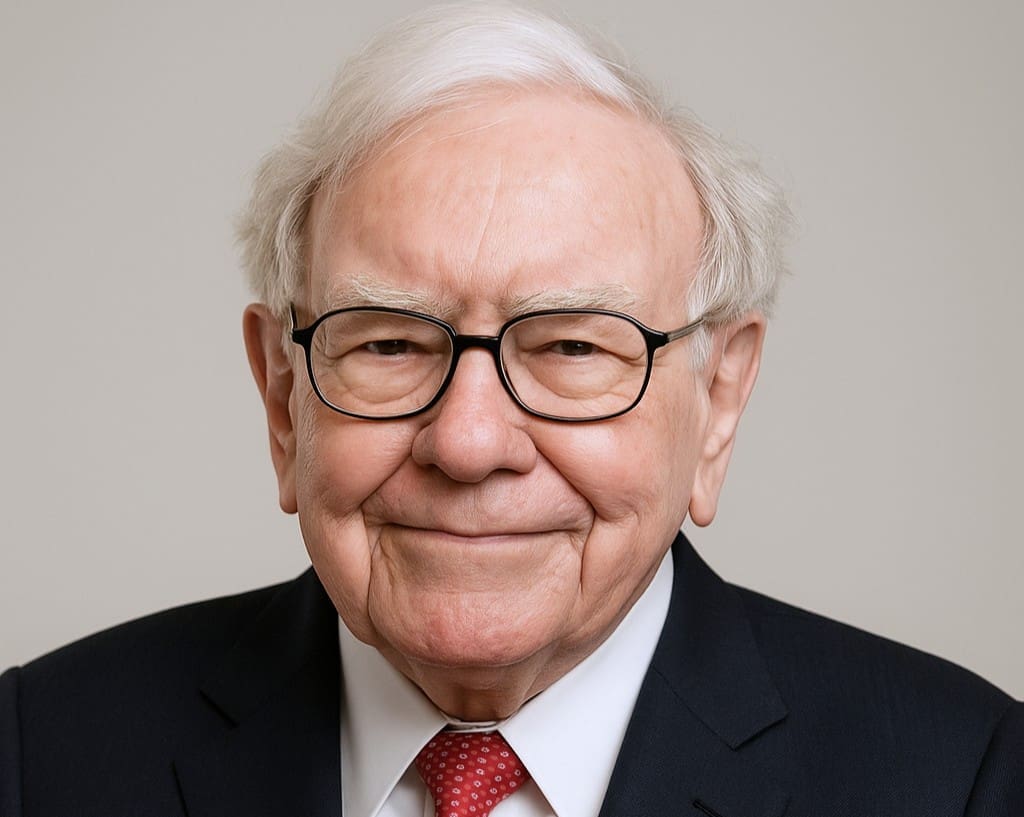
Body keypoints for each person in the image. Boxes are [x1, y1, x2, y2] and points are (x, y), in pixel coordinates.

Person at [1, 4, 1020, 815]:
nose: (469, 440)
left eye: (573, 345)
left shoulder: (964, 778)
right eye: (390, 342)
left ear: (718, 400)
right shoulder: (38, 757)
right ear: (281, 395)